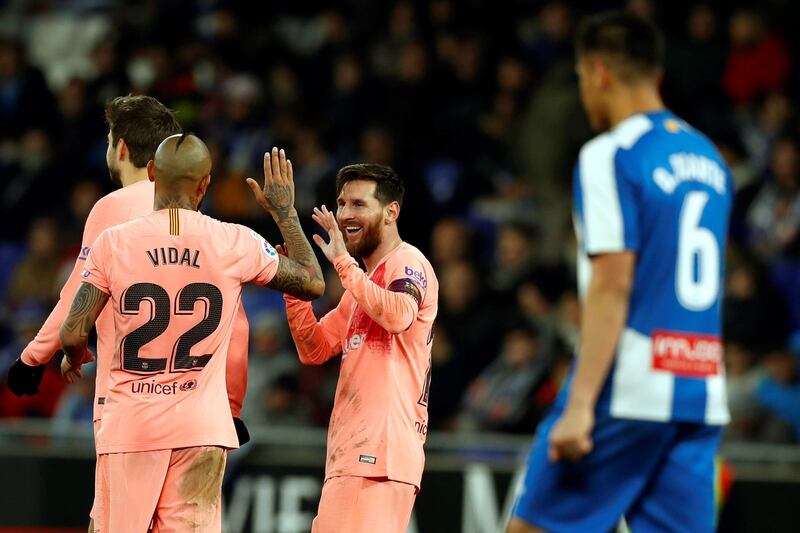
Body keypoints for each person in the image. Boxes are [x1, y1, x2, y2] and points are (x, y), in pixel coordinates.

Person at [508, 11, 732, 533]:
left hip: (626, 388)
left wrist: (581, 404)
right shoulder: (710, 160)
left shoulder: (610, 155)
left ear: (600, 73)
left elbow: (613, 284)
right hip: (699, 390)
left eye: (583, 79)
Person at [4, 95, 250, 527]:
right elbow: (237, 323)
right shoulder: (196, 218)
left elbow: (74, 298)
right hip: (200, 416)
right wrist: (231, 406)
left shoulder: (113, 210)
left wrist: (32, 359)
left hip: (133, 412)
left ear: (120, 148)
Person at [58, 137, 324, 532]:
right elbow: (312, 282)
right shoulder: (235, 241)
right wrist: (284, 213)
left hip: (132, 426)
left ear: (151, 174)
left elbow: (72, 332)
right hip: (201, 429)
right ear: (205, 185)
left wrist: (75, 353)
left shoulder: (112, 243)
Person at [283, 164, 438, 533]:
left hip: (377, 455)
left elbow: (399, 315)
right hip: (359, 457)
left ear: (391, 212)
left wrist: (342, 263)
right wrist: (295, 290)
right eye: (341, 203)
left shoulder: (406, 261)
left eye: (358, 203)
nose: (346, 214)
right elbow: (315, 349)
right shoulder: (363, 288)